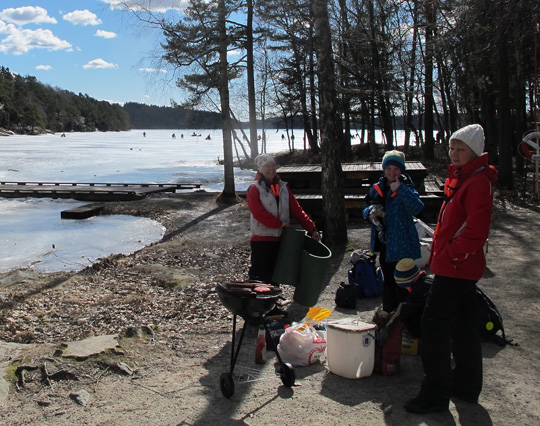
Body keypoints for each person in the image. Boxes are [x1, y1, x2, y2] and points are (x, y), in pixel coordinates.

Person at [405, 124, 498, 414]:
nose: (454, 153)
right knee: (464, 326)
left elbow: (476, 231)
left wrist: (449, 254)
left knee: (433, 326)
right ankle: (467, 386)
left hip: (456, 268)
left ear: (474, 152)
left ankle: (434, 394)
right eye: (452, 148)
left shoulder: (477, 182)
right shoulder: (464, 178)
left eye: (461, 149)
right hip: (458, 267)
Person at [363, 150, 424, 313]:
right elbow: (366, 207)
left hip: (402, 244)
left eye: (395, 168)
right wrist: (370, 212)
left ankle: (404, 317)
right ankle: (389, 315)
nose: (392, 172)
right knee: (388, 282)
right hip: (385, 243)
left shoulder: (408, 187)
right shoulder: (377, 188)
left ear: (402, 170)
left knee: (404, 283)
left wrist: (401, 189)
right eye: (388, 168)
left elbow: (417, 208)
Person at [247, 153, 321, 283]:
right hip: (261, 239)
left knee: (276, 275)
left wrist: (311, 229)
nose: (271, 169)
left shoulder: (283, 187)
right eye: (267, 166)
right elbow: (259, 213)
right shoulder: (254, 189)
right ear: (260, 169)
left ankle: (273, 300)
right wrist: (278, 224)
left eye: (273, 165)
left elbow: (296, 210)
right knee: (258, 276)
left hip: (281, 238)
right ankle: (256, 302)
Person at [393, 258, 432, 338]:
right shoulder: (429, 279)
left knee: (409, 318)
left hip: (441, 323)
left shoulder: (418, 291)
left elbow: (403, 311)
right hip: (454, 316)